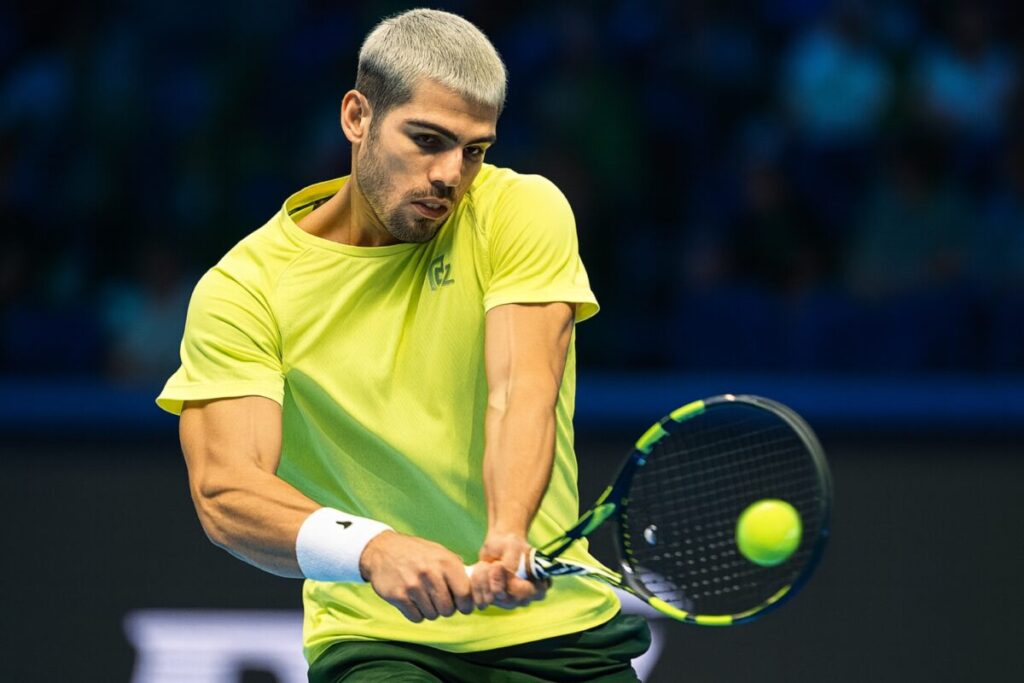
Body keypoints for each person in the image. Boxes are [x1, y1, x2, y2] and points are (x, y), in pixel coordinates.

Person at [156, 8, 650, 681]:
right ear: (357, 117)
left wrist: (507, 530)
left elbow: (521, 390)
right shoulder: (246, 289)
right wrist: (372, 548)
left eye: (474, 149)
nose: (450, 173)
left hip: (563, 636)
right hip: (380, 644)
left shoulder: (522, 210)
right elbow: (226, 489)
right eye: (427, 139)